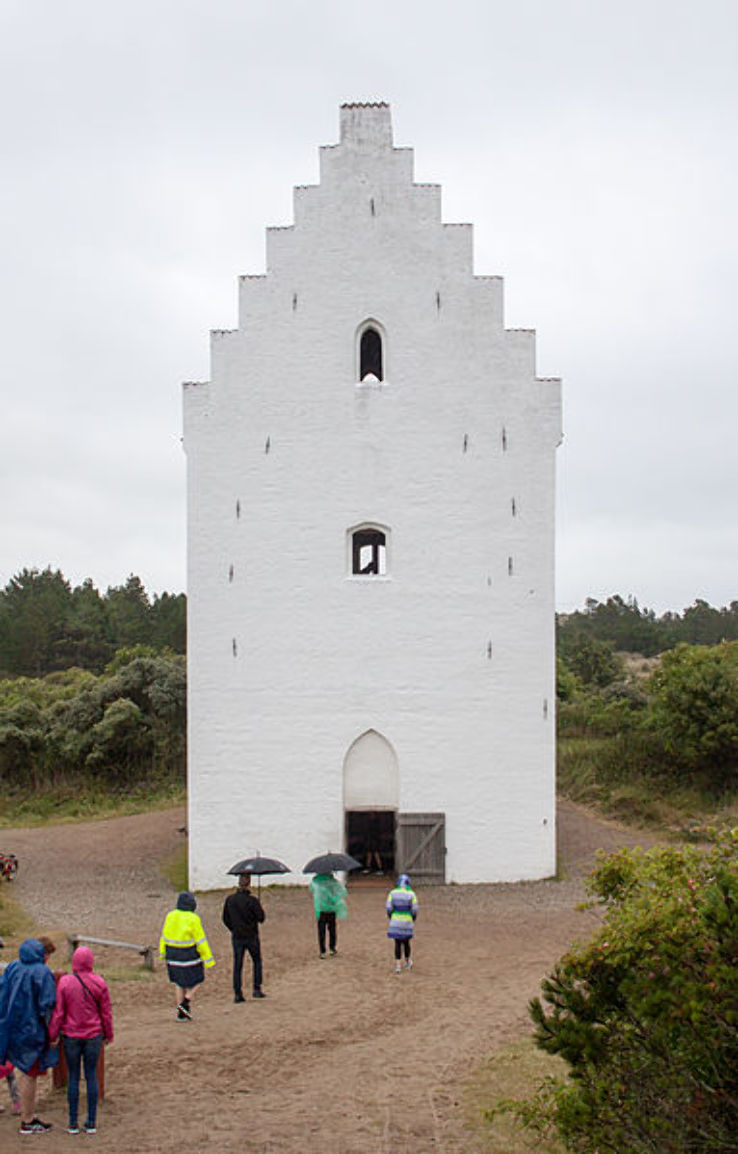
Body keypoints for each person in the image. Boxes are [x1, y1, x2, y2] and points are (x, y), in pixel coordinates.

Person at [48, 947, 114, 1135]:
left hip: (71, 1035)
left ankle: (72, 1122)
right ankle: (91, 1121)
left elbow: (59, 1012)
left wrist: (53, 1034)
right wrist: (109, 1034)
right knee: (91, 1075)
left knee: (74, 1076)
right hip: (93, 1035)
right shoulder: (99, 982)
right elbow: (106, 1013)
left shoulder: (66, 983)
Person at [0, 938, 58, 1134]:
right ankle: (27, 1119)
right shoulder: (42, 973)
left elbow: (3, 993)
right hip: (31, 1029)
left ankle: (26, 1115)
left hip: (11, 1025)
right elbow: (47, 1005)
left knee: (18, 1069)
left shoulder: (13, 967)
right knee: (29, 1074)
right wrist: (52, 1033)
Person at [159, 891, 214, 1021]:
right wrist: (208, 958)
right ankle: (186, 1001)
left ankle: (181, 1012)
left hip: (172, 954)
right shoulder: (193, 918)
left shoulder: (170, 916)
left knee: (179, 982)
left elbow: (164, 936)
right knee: (198, 979)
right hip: (188, 954)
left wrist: (162, 953)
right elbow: (200, 940)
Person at [222, 874, 266, 1001]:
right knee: (257, 961)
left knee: (238, 964)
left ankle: (237, 993)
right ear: (249, 884)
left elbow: (225, 918)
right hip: (251, 935)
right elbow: (261, 918)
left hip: (237, 936)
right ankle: (256, 988)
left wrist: (233, 928)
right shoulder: (252, 901)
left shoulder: (230, 900)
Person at [309, 872, 347, 958]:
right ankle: (332, 948)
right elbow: (340, 893)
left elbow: (311, 890)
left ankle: (322, 951)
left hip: (321, 910)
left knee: (321, 931)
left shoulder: (316, 882)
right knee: (332, 929)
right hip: (331, 909)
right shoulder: (333, 882)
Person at [386, 873, 419, 974]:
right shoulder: (411, 894)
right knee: (406, 943)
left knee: (397, 943)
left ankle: (398, 965)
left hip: (395, 920)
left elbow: (388, 907)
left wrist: (391, 916)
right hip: (407, 921)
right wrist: (413, 918)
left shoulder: (392, 893)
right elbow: (415, 909)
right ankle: (408, 961)